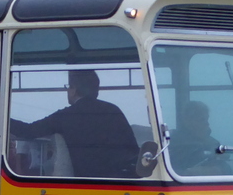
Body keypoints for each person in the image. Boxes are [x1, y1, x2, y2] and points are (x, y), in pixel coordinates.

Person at [8, 69, 137, 177]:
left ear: (74, 90)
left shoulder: (65, 116)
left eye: (68, 87)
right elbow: (133, 149)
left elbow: (29, 131)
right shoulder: (114, 111)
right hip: (121, 181)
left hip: (84, 182)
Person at [168, 100, 228, 173]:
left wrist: (219, 169)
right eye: (202, 120)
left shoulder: (214, 144)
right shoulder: (173, 143)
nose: (207, 123)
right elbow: (170, 172)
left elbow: (227, 170)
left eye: (207, 119)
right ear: (187, 121)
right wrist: (192, 172)